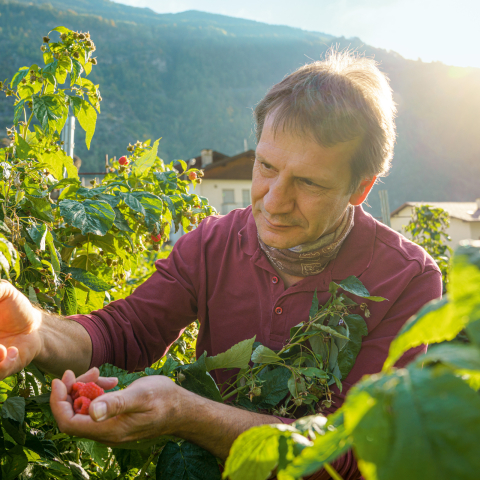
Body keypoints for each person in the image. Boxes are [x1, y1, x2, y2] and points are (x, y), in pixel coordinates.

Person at [0, 51, 441, 480]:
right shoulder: (214, 242)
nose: (273, 200)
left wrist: (186, 414)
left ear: (359, 189)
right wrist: (38, 331)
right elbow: (127, 332)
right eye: (265, 166)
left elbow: (353, 451)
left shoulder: (406, 279)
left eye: (308, 182)